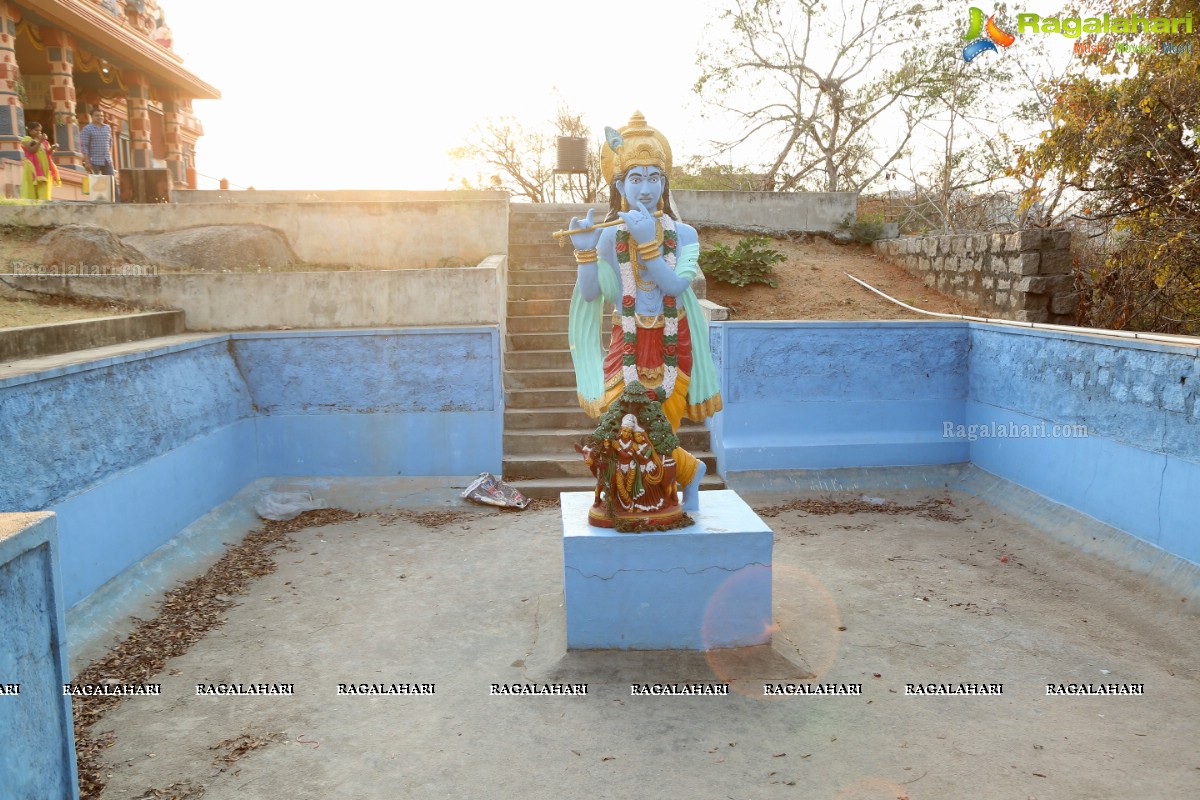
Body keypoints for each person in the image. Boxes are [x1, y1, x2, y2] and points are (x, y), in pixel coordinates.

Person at [566, 111, 722, 512]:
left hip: (674, 343)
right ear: (619, 185)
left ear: (665, 183)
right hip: (626, 342)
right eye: (636, 178)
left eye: (655, 177)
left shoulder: (684, 235)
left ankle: (665, 492)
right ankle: (681, 476)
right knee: (625, 426)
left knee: (659, 428)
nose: (646, 187)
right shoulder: (608, 237)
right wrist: (584, 250)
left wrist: (647, 242)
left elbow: (674, 285)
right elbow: (589, 295)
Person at [20, 122, 60, 201]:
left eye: (40, 131)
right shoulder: (27, 139)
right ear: (30, 131)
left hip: (44, 168)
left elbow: (48, 153)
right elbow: (31, 150)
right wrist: (39, 141)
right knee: (31, 188)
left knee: (43, 188)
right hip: (32, 169)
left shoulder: (45, 142)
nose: (39, 132)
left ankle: (43, 205)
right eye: (36, 130)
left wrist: (53, 148)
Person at [80, 109, 115, 176]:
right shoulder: (87, 129)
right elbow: (84, 146)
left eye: (102, 116)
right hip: (93, 161)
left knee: (111, 183)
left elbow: (110, 143)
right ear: (92, 117)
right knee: (95, 183)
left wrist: (109, 155)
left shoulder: (107, 128)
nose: (100, 117)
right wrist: (87, 162)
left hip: (107, 160)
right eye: (97, 116)